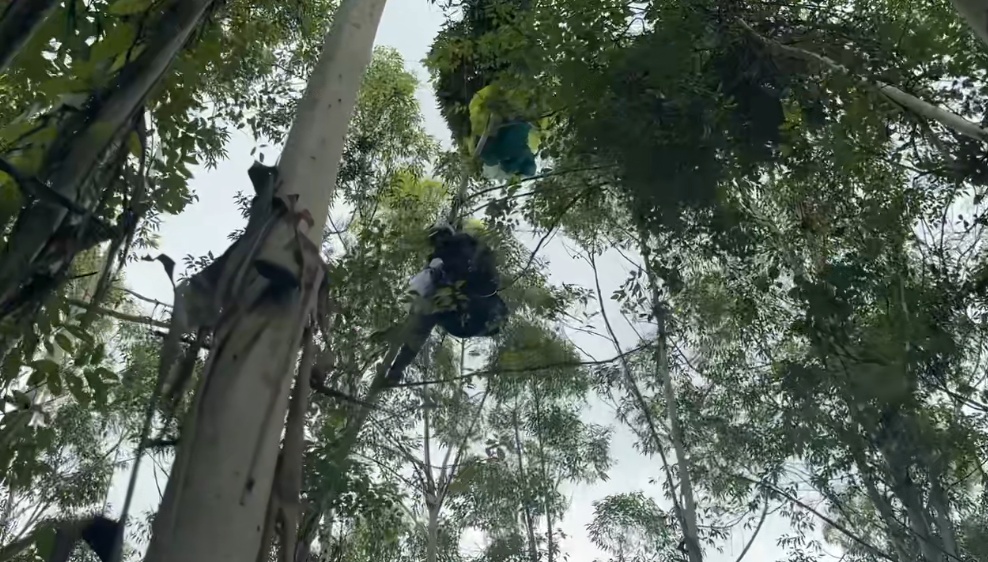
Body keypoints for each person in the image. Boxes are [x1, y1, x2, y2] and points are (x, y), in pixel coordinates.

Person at [385, 219, 509, 384]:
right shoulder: (466, 248)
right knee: (423, 322)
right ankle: (396, 370)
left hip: (473, 308)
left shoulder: (453, 253)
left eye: (438, 237)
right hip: (474, 314)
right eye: (435, 239)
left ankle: (396, 371)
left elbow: (420, 329)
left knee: (422, 322)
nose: (438, 242)